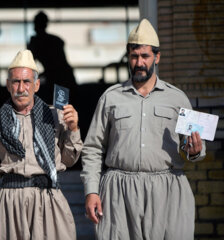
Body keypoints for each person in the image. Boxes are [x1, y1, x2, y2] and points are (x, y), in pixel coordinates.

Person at [80, 19, 206, 240]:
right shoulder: (110, 97)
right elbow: (92, 148)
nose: (139, 62)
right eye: (134, 56)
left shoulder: (178, 98)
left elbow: (193, 149)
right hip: (119, 194)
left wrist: (195, 151)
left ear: (157, 57)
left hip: (167, 192)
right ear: (128, 57)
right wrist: (91, 191)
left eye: (145, 56)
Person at [0, 49, 83, 239]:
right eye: (16, 82)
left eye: (26, 81)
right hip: (9, 201)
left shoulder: (56, 117)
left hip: (48, 199)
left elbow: (69, 161)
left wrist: (73, 129)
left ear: (36, 85)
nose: (21, 88)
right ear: (8, 85)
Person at [28, 11, 77, 104]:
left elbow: (57, 65)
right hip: (61, 79)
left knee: (60, 110)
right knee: (59, 109)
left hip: (61, 79)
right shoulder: (54, 40)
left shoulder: (37, 42)